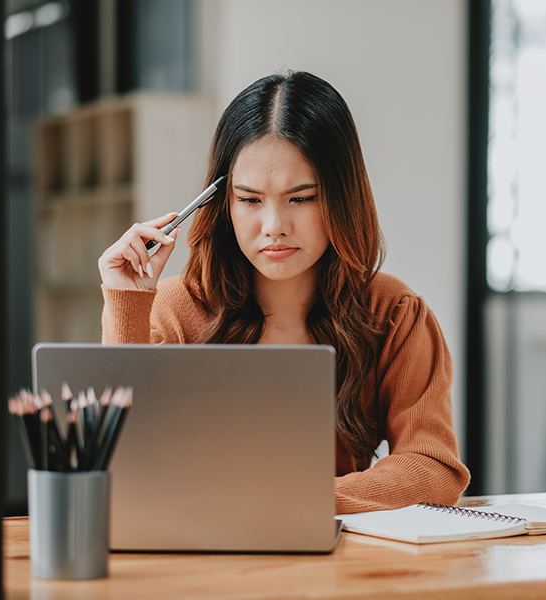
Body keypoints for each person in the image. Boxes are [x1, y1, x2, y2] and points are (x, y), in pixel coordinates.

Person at [98, 70, 470, 514]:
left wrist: (300, 502)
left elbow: (432, 466)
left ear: (341, 196)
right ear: (224, 203)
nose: (274, 226)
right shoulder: (177, 309)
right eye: (250, 200)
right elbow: (123, 464)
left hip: (339, 566)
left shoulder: (394, 313)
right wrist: (128, 303)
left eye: (301, 198)